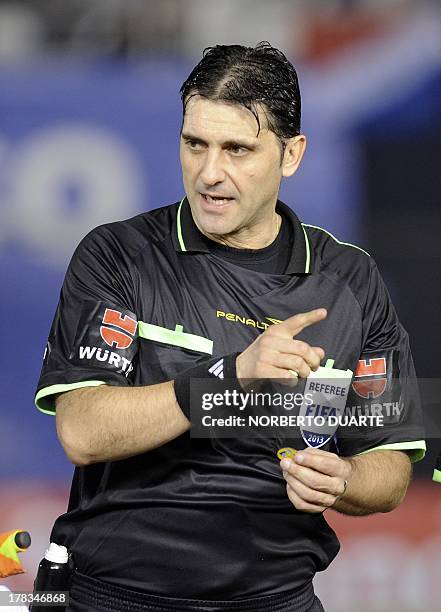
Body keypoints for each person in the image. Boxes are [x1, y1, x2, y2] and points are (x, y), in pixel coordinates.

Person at [35, 42, 425, 612]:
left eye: (237, 149)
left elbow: (389, 466)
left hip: (278, 597)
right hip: (117, 595)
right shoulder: (118, 254)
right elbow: (81, 432)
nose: (210, 173)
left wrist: (343, 478)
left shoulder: (353, 280)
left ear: (292, 154)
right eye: (195, 144)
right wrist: (230, 377)